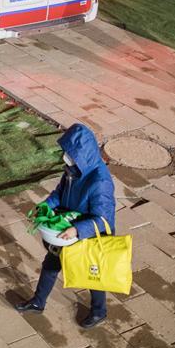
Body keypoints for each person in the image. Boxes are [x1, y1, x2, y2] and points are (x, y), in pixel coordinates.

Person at [15, 124, 115, 329]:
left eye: (69, 154)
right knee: (51, 265)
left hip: (88, 234)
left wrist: (77, 230)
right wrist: (46, 205)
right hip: (66, 225)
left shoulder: (100, 181)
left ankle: (99, 311)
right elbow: (59, 193)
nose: (65, 157)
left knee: (92, 274)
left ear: (82, 155)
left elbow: (104, 219)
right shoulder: (73, 170)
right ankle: (38, 302)